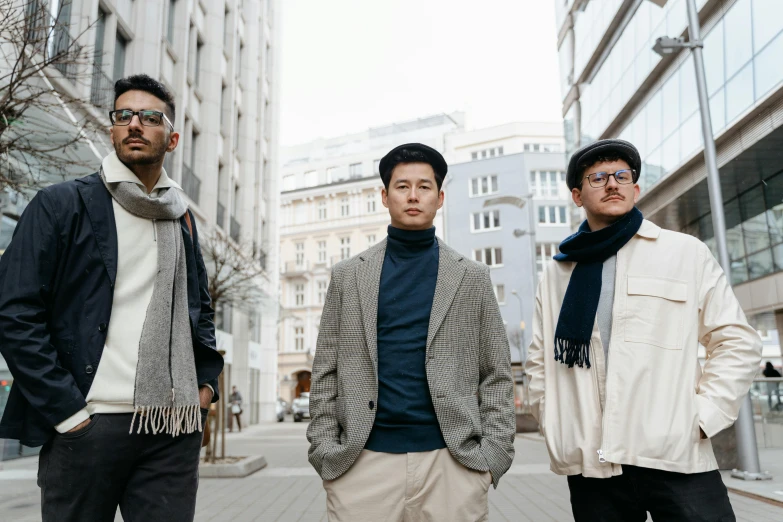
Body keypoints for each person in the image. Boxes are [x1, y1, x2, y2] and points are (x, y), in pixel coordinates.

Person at [0, 74, 223, 522]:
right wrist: (68, 412)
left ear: (172, 138)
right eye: (123, 115)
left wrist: (204, 386)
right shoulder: (61, 205)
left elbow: (199, 309)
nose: (134, 124)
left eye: (149, 117)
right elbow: (15, 313)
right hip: (88, 424)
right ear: (112, 129)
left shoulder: (182, 219)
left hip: (171, 428)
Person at [525, 139, 762, 521]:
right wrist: (555, 422)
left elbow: (736, 340)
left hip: (675, 454)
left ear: (635, 188)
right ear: (576, 195)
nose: (613, 183)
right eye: (598, 177)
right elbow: (540, 361)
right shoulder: (558, 272)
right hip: (593, 463)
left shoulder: (683, 252)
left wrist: (704, 417)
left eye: (622, 175)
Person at [307, 143, 515, 521]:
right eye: (402, 187)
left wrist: (492, 457)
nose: (414, 195)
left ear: (440, 197)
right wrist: (324, 450)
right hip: (361, 464)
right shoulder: (348, 276)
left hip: (453, 464)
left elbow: (497, 374)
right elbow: (324, 372)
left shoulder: (472, 277)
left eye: (424, 186)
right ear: (385, 196)